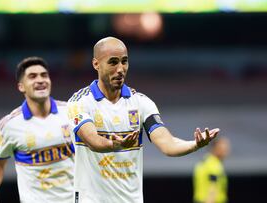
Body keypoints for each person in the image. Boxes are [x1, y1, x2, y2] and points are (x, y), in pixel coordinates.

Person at [67, 36, 220, 203]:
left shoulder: (141, 103)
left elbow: (167, 143)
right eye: (113, 62)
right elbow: (92, 140)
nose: (120, 69)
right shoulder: (80, 102)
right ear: (96, 64)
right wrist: (114, 145)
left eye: (124, 61)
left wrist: (195, 144)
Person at [0, 56, 74, 203]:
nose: (40, 80)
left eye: (44, 75)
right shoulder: (9, 125)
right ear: (21, 86)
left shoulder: (72, 112)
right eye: (32, 76)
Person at [193, 137, 230, 203]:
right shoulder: (214, 164)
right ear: (215, 149)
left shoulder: (205, 161)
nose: (226, 152)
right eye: (223, 149)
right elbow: (213, 185)